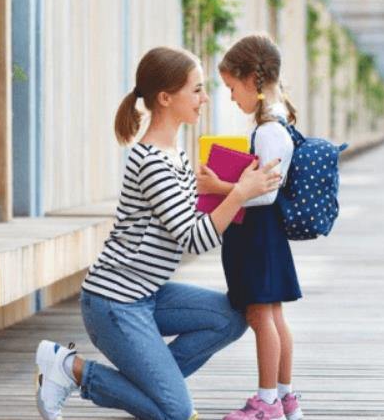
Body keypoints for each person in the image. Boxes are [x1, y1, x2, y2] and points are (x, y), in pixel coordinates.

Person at [34, 46, 283, 420]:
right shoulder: (151, 161)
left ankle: (154, 384)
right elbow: (194, 238)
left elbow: (184, 209)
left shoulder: (176, 155)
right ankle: (72, 369)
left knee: (232, 317)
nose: (204, 98)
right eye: (196, 90)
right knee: (176, 412)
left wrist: (220, 187)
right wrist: (239, 193)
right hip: (114, 302)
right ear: (165, 98)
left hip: (148, 294)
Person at [196, 34, 303, 420]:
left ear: (251, 79)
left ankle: (267, 401)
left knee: (262, 318)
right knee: (272, 317)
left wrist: (217, 187)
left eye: (231, 87)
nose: (230, 97)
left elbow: (263, 194)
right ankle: (286, 396)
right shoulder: (277, 122)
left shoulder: (268, 129)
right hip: (264, 237)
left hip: (258, 237)